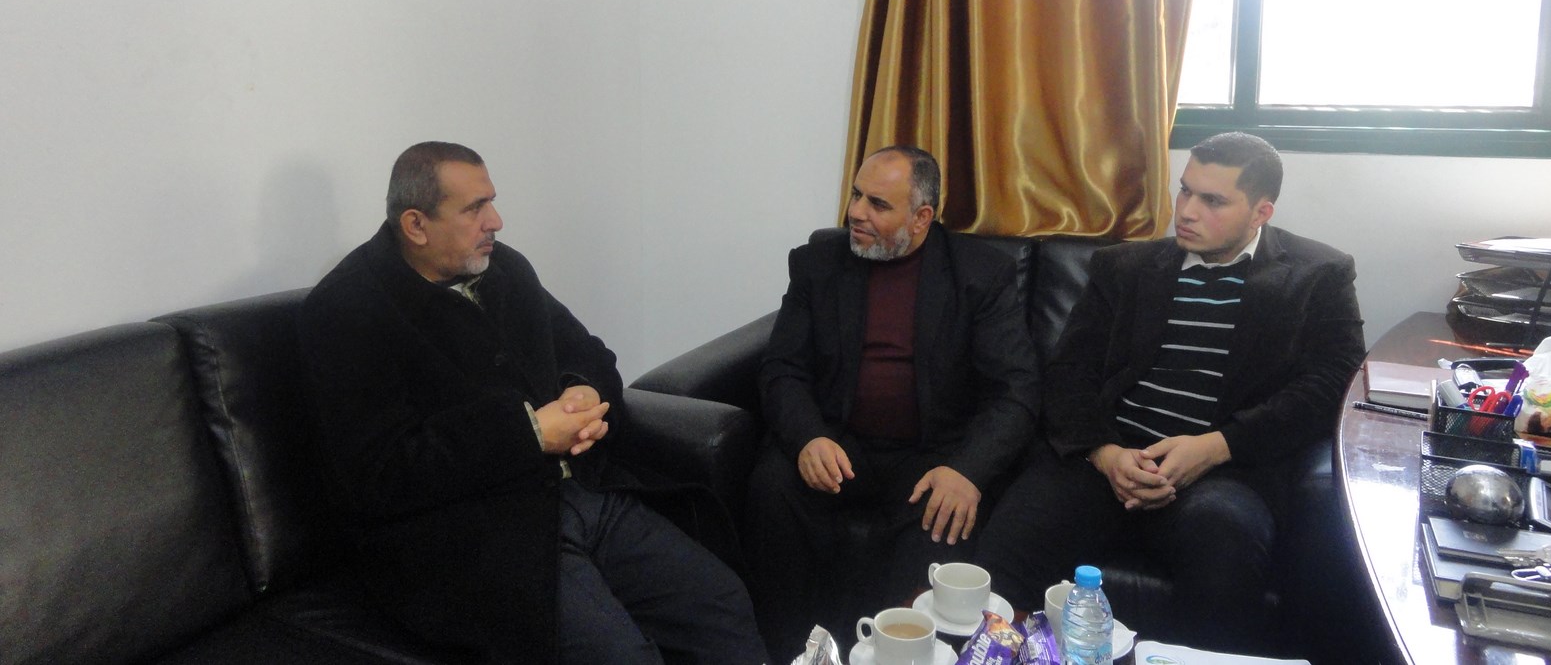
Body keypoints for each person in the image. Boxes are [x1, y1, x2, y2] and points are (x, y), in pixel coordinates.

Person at [298, 141, 766, 665]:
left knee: (722, 603)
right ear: (416, 225)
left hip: (581, 493)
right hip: (474, 537)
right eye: (475, 208)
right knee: (622, 657)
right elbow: (376, 476)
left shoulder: (506, 270)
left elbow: (588, 352)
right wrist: (531, 434)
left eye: (491, 201)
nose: (495, 221)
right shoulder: (346, 312)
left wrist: (585, 392)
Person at [977, 132, 1365, 653]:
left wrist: (1218, 446)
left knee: (1225, 542)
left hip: (1222, 473)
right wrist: (1105, 453)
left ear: (1260, 212)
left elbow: (1334, 384)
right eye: (1185, 191)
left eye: (1213, 200)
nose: (1187, 211)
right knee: (1014, 537)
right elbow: (1069, 370)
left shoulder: (1319, 275)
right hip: (1109, 461)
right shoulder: (1125, 268)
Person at [746, 145, 1040, 657]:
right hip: (839, 443)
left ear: (921, 217)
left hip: (933, 458)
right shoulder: (817, 264)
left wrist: (967, 471)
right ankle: (783, 652)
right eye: (856, 195)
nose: (856, 212)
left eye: (878, 204)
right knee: (773, 486)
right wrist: (808, 437)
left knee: (940, 533)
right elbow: (782, 368)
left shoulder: (980, 273)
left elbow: (1016, 390)